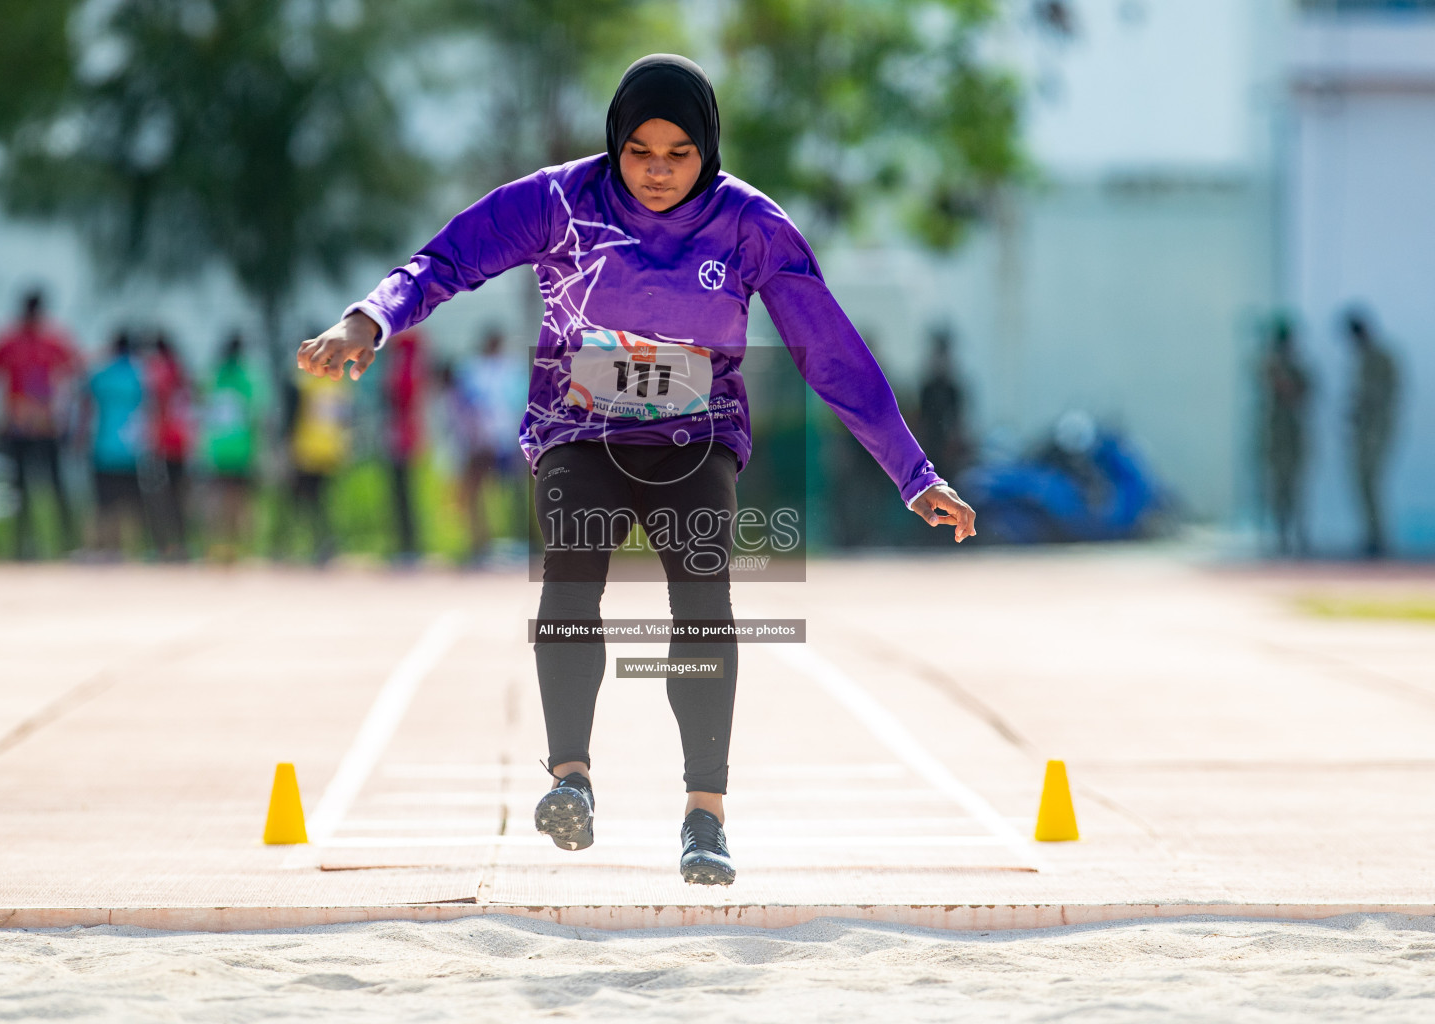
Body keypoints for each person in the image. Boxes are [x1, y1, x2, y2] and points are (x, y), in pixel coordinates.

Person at [296, 54, 976, 886]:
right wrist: (369, 319)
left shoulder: (748, 225)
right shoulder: (557, 203)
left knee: (702, 595)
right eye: (641, 151)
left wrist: (913, 473)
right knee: (572, 578)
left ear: (709, 150)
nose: (657, 171)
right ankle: (571, 779)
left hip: (697, 437)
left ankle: (705, 815)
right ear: (615, 142)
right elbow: (445, 260)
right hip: (576, 432)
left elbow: (829, 350)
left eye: (679, 153)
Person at [0, 289, 82, 558]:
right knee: (19, 488)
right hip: (17, 428)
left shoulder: (54, 341)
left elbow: (75, 379)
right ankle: (22, 546)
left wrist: (66, 419)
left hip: (46, 427)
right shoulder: (8, 341)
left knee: (56, 486)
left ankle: (68, 544)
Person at [454, 328, 528, 565]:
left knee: (517, 490)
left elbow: (521, 401)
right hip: (481, 440)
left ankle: (522, 540)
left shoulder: (511, 367)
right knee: (477, 491)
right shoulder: (473, 368)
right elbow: (467, 404)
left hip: (508, 437)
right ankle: (481, 543)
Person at [276, 360, 351, 564]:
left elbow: (291, 416)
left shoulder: (303, 381)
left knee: (296, 500)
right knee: (321, 502)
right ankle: (325, 545)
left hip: (306, 450)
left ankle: (289, 545)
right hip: (329, 450)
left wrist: (286, 446)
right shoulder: (337, 382)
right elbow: (344, 418)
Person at [82, 331, 149, 559]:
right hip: (131, 449)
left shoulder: (101, 375)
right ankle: (126, 549)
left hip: (103, 447)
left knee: (103, 505)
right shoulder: (141, 375)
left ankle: (101, 548)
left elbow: (85, 407)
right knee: (131, 505)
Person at [1343, 308, 1399, 558]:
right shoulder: (1363, 358)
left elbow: (1386, 393)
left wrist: (1364, 405)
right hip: (1365, 430)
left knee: (1371, 481)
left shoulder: (1381, 357)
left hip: (1376, 430)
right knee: (1363, 482)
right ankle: (1372, 535)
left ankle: (1378, 537)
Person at [201, 332, 262, 562]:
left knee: (216, 503)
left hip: (217, 449)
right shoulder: (248, 377)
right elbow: (256, 415)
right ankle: (239, 549)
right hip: (242, 449)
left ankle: (217, 548)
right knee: (241, 503)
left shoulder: (214, 376)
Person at [1260, 318, 1311, 557]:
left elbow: (1296, 392)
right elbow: (1272, 382)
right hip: (1275, 438)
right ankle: (1281, 538)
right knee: (1276, 490)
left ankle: (1299, 538)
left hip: (1294, 438)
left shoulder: (1299, 369)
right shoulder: (1268, 365)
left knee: (1296, 490)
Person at [144, 331, 194, 560]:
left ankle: (163, 545)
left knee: (159, 497)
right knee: (179, 496)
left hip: (162, 443)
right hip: (180, 442)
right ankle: (181, 544)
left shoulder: (156, 371)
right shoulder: (181, 371)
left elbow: (154, 405)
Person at [381, 327, 426, 563]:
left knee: (404, 493)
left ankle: (410, 545)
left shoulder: (405, 369)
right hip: (402, 436)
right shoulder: (405, 366)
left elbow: (404, 404)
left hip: (403, 438)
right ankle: (406, 544)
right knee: (401, 492)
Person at [918, 324, 970, 482]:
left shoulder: (953, 389)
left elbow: (959, 421)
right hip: (931, 448)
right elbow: (922, 419)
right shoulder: (928, 388)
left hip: (949, 450)